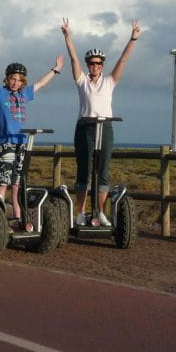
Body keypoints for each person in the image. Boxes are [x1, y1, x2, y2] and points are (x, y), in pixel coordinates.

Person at [60, 18, 141, 226]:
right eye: (92, 63)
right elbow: (73, 59)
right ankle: (80, 212)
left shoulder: (109, 81)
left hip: (105, 127)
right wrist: (68, 36)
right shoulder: (82, 81)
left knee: (103, 171)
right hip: (85, 127)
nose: (95, 66)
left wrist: (132, 39)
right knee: (84, 171)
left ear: (102, 66)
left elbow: (122, 61)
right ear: (88, 65)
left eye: (98, 63)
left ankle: (101, 213)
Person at [0, 47, 64, 222]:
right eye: (12, 78)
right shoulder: (0, 93)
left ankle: (18, 218)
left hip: (22, 142)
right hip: (6, 142)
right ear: (7, 79)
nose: (15, 82)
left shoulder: (24, 95)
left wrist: (55, 69)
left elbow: (41, 83)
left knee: (16, 184)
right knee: (3, 182)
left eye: (19, 80)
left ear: (22, 82)